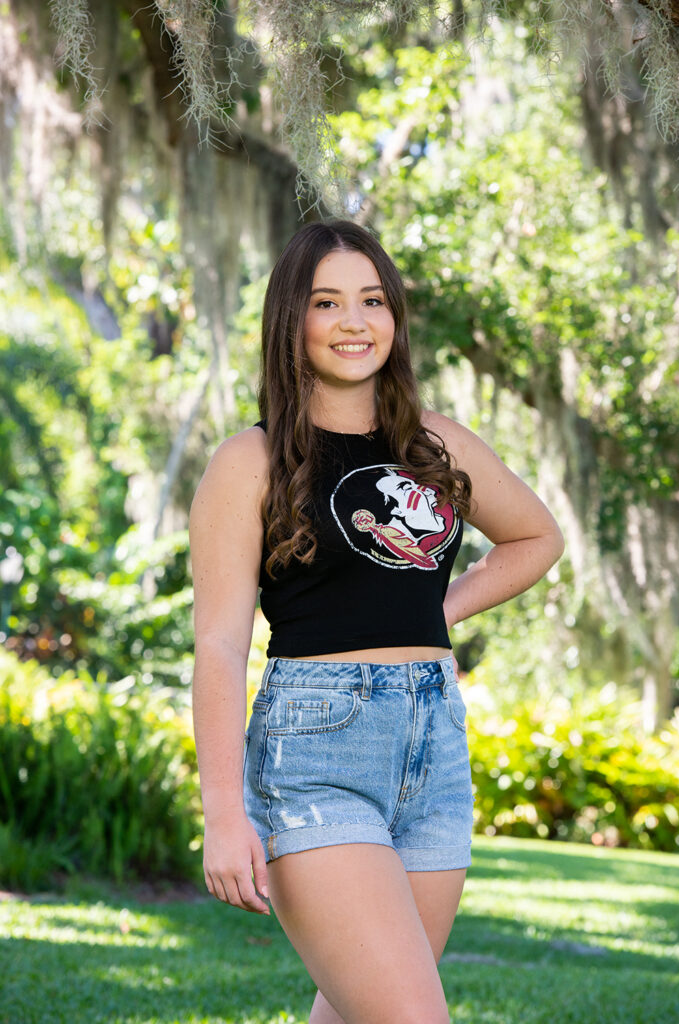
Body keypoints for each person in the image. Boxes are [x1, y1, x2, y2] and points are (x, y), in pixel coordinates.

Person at [189, 220, 564, 1024]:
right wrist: (223, 812)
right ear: (292, 322)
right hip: (315, 745)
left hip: (434, 750)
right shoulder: (248, 462)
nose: (354, 322)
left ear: (394, 317)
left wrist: (439, 608)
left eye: (372, 300)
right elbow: (219, 645)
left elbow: (536, 538)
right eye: (327, 302)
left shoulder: (436, 446)